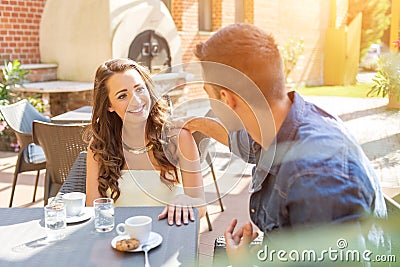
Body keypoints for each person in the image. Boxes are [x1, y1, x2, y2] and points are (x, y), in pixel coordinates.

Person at [184, 23, 388, 264]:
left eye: (209, 93)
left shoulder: (316, 179)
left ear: (226, 99)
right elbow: (242, 142)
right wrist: (195, 124)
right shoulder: (280, 120)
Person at [85, 58, 206, 226]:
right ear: (109, 106)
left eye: (139, 89)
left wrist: (185, 200)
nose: (136, 100)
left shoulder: (178, 137)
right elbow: (92, 207)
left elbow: (200, 207)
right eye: (122, 96)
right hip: (118, 240)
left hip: (169, 235)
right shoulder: (99, 146)